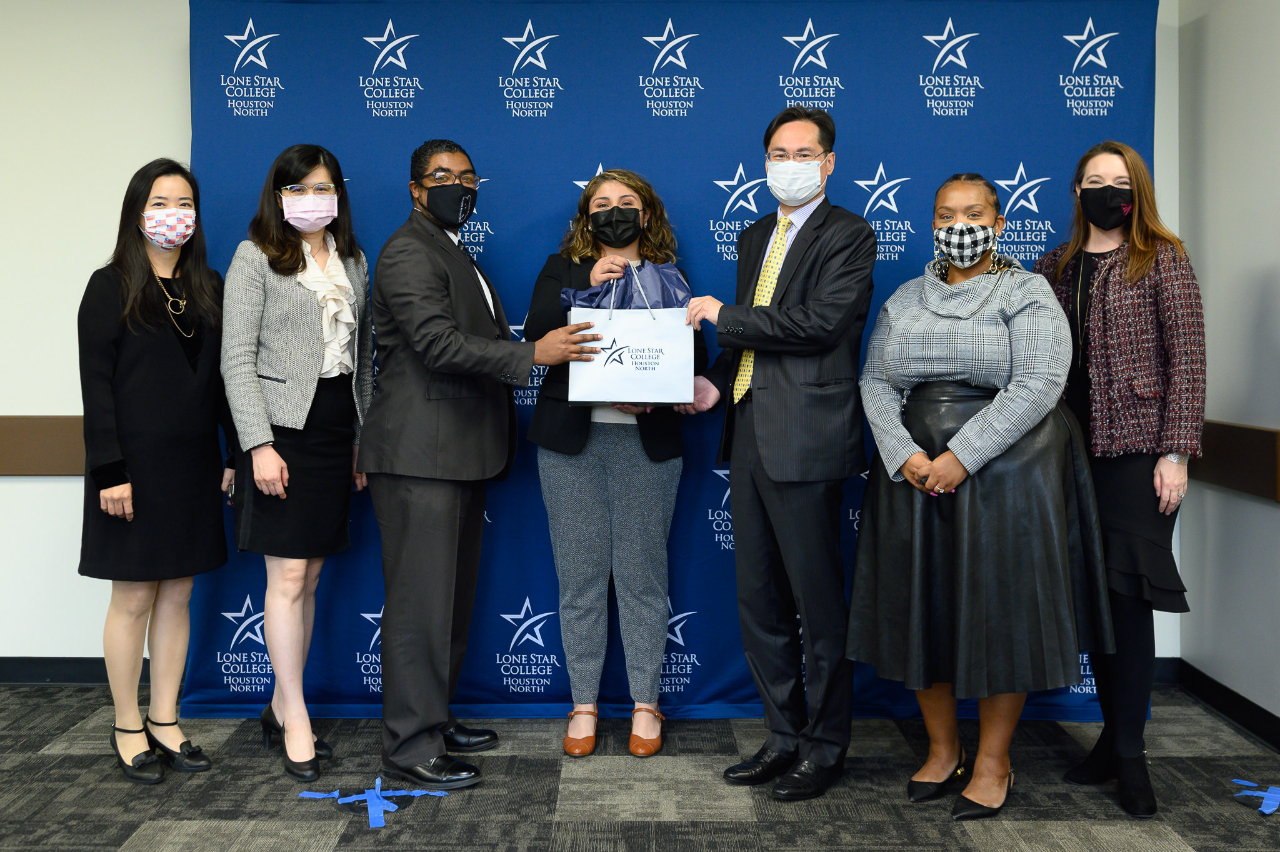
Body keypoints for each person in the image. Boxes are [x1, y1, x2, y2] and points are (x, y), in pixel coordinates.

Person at [847, 174, 1114, 820]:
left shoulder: (1027, 292)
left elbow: (1041, 381)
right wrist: (904, 454)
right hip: (915, 474)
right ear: (931, 223)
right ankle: (943, 750)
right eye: (945, 215)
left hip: (1009, 471)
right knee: (924, 609)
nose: (958, 226)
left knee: (1002, 613)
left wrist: (961, 457)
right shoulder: (906, 298)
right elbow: (876, 380)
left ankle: (994, 758)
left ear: (998, 224)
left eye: (973, 214)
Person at [358, 139, 602, 790]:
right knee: (420, 609)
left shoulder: (451, 249)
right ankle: (410, 747)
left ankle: (433, 718)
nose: (457, 187)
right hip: (419, 455)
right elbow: (436, 344)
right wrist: (534, 356)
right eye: (442, 177)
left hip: (456, 453)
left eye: (467, 177)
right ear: (415, 188)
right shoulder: (408, 250)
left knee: (449, 606)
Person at [680, 107, 876, 801]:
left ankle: (825, 747)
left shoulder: (851, 234)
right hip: (751, 428)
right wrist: (706, 378)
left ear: (828, 163)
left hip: (810, 436)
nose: (787, 162)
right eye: (776, 151)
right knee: (758, 598)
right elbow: (757, 329)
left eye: (802, 152)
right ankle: (783, 735)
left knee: (816, 603)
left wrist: (721, 317)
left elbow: (820, 324)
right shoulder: (756, 232)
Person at [1034, 141, 1205, 818]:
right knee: (1093, 603)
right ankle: (1112, 735)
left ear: (1136, 190)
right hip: (1068, 454)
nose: (1107, 190)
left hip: (1140, 454)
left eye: (1119, 180)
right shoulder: (1056, 265)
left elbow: (1187, 358)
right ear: (1076, 192)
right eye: (1093, 181)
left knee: (1128, 603)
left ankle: (1130, 752)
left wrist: (1177, 451)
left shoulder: (1163, 256)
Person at [524, 169, 708, 758]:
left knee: (641, 577)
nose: (614, 212)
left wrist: (679, 385)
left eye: (626, 203)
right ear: (587, 219)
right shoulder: (562, 270)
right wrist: (585, 285)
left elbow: (693, 357)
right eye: (601, 204)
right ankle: (583, 704)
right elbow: (533, 340)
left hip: (647, 447)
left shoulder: (673, 278)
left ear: (646, 215)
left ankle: (646, 705)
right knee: (578, 578)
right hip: (572, 446)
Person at [78, 158, 234, 784]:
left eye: (185, 202)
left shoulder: (209, 287)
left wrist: (229, 455)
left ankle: (166, 720)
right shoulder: (109, 284)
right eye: (161, 201)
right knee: (135, 595)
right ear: (137, 212)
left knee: (179, 592)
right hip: (131, 471)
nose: (175, 214)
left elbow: (222, 384)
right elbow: (97, 389)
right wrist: (109, 472)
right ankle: (126, 724)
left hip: (194, 466)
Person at [221, 143, 373, 782]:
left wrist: (365, 439)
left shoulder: (354, 258)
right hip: (282, 429)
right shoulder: (255, 255)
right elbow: (235, 356)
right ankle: (298, 717)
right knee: (286, 578)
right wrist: (258, 444)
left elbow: (364, 358)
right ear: (279, 195)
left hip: (339, 426)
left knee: (308, 578)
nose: (314, 197)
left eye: (325, 186)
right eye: (301, 187)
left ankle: (281, 703)